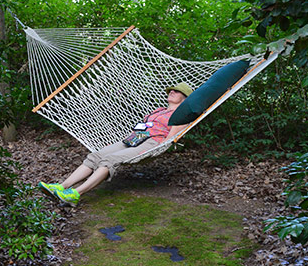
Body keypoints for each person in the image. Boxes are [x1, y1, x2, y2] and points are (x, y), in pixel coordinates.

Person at [39, 81, 193, 206]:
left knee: (110, 161)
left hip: (152, 143)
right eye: (171, 90)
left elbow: (170, 138)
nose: (171, 92)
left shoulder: (181, 115)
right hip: (135, 137)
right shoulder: (158, 110)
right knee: (96, 156)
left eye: (177, 91)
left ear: (185, 98)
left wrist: (157, 150)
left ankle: (75, 194)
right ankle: (62, 186)